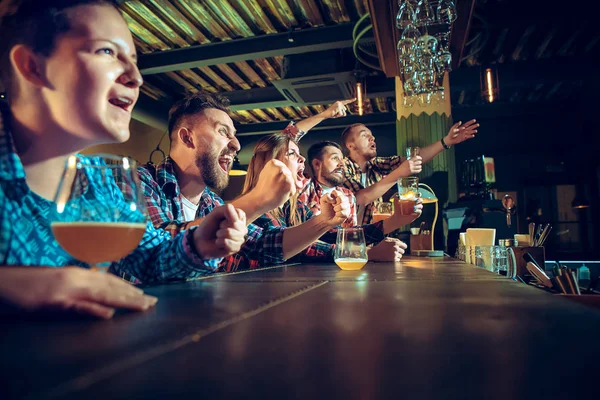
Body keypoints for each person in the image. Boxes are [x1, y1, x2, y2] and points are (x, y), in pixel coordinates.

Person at [0, 0, 247, 318]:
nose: (136, 77)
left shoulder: (98, 181)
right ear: (32, 66)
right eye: (106, 51)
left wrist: (200, 244)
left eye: (133, 60)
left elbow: (148, 256)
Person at [138, 90, 351, 271]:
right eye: (223, 132)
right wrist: (257, 201)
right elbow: (154, 250)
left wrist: (323, 221)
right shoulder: (140, 182)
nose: (237, 145)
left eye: (235, 135)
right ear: (187, 138)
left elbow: (264, 245)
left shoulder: (210, 202)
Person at [243, 134, 424, 262]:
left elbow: (331, 236)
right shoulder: (252, 207)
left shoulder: (295, 206)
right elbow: (287, 246)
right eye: (292, 154)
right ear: (269, 163)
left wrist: (394, 221)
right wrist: (363, 253)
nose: (302, 159)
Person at [341, 120, 479, 224]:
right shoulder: (341, 167)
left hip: (368, 237)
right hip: (345, 239)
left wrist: (446, 141)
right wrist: (399, 173)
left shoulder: (376, 164)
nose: (372, 138)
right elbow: (360, 198)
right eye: (364, 135)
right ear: (350, 145)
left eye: (372, 135)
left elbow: (414, 159)